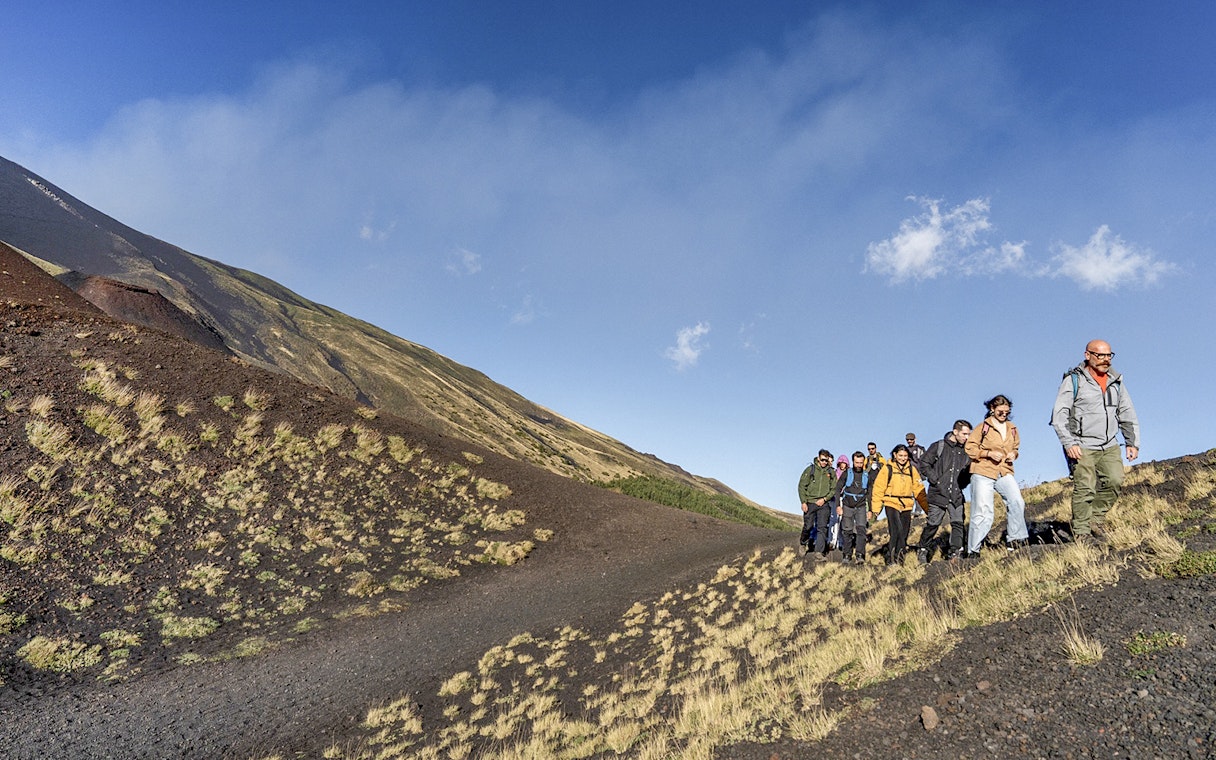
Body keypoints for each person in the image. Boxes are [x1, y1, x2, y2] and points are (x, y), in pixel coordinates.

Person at [1050, 339, 1140, 542]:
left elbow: (1127, 412)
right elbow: (1059, 414)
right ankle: (1081, 532)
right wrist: (1069, 442)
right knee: (1085, 486)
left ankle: (1094, 519)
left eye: (1109, 355)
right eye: (1100, 355)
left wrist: (1132, 442)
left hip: (1109, 444)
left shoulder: (1115, 381)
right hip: (1081, 445)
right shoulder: (1074, 381)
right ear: (1087, 355)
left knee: (1115, 481)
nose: (1105, 360)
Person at [964, 395, 1029, 557]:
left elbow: (1016, 447)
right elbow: (970, 448)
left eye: (1007, 412)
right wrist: (987, 453)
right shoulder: (983, 427)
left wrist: (1014, 454)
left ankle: (1015, 539)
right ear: (992, 409)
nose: (1003, 414)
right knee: (983, 511)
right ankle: (974, 550)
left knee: (1017, 501)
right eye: (1000, 411)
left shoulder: (1012, 428)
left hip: (1004, 471)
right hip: (983, 471)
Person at [915, 420, 972, 563]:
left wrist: (962, 483)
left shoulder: (967, 451)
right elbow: (924, 463)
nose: (967, 437)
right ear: (955, 432)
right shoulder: (939, 446)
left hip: (956, 494)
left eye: (969, 434)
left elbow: (969, 472)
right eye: (965, 434)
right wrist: (936, 480)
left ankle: (955, 552)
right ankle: (923, 549)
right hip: (938, 493)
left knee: (958, 523)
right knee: (933, 523)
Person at [870, 444, 928, 565]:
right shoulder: (887, 468)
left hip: (907, 504)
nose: (903, 458)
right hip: (891, 502)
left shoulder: (912, 470)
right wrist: (876, 508)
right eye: (900, 455)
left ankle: (900, 560)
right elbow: (878, 488)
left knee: (904, 533)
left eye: (905, 456)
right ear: (895, 455)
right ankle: (891, 560)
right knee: (896, 530)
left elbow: (919, 490)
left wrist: (927, 509)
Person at [798, 449, 836, 560]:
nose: (824, 462)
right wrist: (803, 501)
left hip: (824, 504)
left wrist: (825, 499)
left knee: (822, 528)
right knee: (808, 526)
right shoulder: (810, 470)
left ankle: (818, 552)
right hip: (810, 502)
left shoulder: (831, 473)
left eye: (826, 460)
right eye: (822, 460)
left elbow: (834, 488)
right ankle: (803, 542)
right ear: (818, 458)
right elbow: (801, 486)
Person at [835, 451, 871, 565]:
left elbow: (870, 493)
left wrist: (870, 509)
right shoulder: (847, 473)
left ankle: (860, 555)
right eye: (856, 462)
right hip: (847, 505)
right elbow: (837, 489)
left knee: (861, 531)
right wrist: (838, 506)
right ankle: (847, 555)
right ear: (853, 461)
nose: (859, 465)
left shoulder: (866, 475)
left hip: (861, 506)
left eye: (861, 462)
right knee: (847, 531)